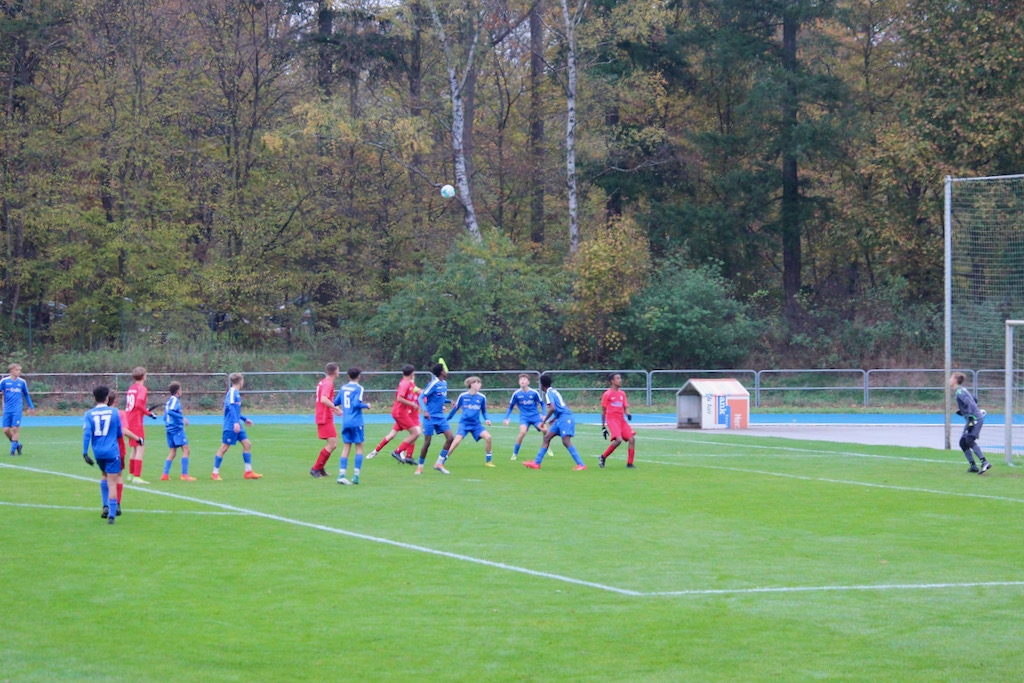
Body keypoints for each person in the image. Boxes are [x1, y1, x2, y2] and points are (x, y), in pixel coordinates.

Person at [523, 374, 587, 471]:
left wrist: (544, 421)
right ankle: (537, 463)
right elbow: (559, 406)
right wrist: (554, 418)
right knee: (546, 438)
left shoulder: (549, 393)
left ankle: (581, 464)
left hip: (565, 418)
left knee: (566, 441)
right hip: (560, 418)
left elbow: (553, 408)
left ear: (542, 384)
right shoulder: (553, 391)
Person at [82, 385, 124, 525]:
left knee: (104, 475)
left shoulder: (89, 414)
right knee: (112, 482)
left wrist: (85, 452)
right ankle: (111, 515)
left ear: (94, 398)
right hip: (112, 451)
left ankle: (105, 505)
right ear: (107, 398)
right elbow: (119, 433)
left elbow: (87, 433)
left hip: (98, 453)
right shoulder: (114, 412)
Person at [368, 364, 422, 465]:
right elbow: (399, 398)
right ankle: (398, 451)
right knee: (415, 433)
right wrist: (412, 404)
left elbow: (421, 392)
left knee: (408, 434)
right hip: (400, 413)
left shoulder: (410, 384)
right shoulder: (405, 384)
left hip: (403, 413)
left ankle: (407, 456)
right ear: (412, 374)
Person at [212, 373, 262, 480]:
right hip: (231, 425)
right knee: (224, 448)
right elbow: (230, 407)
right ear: (240, 381)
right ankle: (215, 473)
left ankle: (248, 472)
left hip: (237, 424)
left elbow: (236, 411)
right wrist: (235, 423)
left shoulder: (236, 393)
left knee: (247, 444)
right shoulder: (232, 393)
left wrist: (244, 419)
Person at [105, 390, 140, 516]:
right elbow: (124, 430)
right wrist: (137, 438)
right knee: (118, 476)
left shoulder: (99, 413)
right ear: (115, 400)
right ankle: (117, 504)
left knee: (106, 476)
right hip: (118, 448)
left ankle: (106, 505)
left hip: (103, 448)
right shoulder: (119, 413)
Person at [446, 376, 494, 466]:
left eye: (480, 383)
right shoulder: (463, 396)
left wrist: (487, 419)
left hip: (476, 425)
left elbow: (484, 411)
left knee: (488, 437)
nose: (480, 385)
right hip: (464, 424)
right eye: (478, 383)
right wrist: (446, 419)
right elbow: (455, 409)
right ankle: (442, 460)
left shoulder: (482, 397)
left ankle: (488, 461)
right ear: (471, 384)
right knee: (456, 442)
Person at [417, 362, 455, 475]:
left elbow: (439, 398)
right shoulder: (433, 384)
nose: (446, 372)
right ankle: (420, 467)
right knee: (427, 442)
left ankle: (439, 463)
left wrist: (449, 401)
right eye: (444, 370)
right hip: (430, 417)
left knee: (450, 438)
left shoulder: (444, 384)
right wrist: (425, 410)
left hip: (440, 416)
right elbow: (421, 397)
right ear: (441, 372)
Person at [335, 367, 371, 485]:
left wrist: (339, 409)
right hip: (356, 421)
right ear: (359, 376)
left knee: (346, 446)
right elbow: (356, 404)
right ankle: (356, 475)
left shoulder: (343, 388)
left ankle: (341, 474)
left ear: (348, 376)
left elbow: (335, 402)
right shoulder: (359, 388)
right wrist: (366, 405)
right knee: (359, 447)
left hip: (345, 421)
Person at [950, 372, 991, 474]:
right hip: (971, 418)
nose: (949, 380)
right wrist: (963, 411)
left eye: (951, 378)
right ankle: (973, 466)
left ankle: (984, 462)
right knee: (963, 442)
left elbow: (970, 404)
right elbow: (974, 400)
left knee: (969, 440)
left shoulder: (960, 391)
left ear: (955, 380)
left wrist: (971, 418)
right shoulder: (961, 390)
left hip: (975, 418)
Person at [311, 363, 344, 478]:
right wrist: (336, 408)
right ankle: (315, 468)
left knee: (332, 444)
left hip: (325, 415)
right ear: (335, 372)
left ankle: (320, 468)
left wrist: (334, 409)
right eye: (338, 370)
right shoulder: (328, 383)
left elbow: (326, 400)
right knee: (332, 444)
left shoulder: (324, 382)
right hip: (324, 417)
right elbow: (324, 399)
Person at [125, 366, 157, 484]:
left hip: (129, 419)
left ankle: (131, 474)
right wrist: (149, 414)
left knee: (134, 447)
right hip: (136, 421)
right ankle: (137, 476)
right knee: (140, 446)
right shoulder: (142, 389)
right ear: (143, 376)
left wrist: (144, 411)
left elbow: (135, 405)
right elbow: (138, 404)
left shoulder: (131, 388)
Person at [503, 374, 545, 460]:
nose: (522, 381)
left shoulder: (534, 392)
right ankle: (515, 453)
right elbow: (510, 407)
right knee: (522, 432)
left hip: (535, 416)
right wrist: (506, 417)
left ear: (528, 382)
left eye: (524, 379)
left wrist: (544, 415)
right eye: (521, 379)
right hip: (524, 417)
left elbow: (542, 404)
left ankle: (546, 446)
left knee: (545, 430)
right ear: (519, 382)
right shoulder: (516, 394)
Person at [599, 373, 637, 469]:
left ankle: (630, 464)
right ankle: (603, 457)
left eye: (620, 378)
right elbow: (603, 411)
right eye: (617, 378)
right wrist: (603, 426)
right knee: (618, 440)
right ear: (612, 381)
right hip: (612, 420)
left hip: (621, 420)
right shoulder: (607, 394)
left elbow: (625, 407)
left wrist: (628, 414)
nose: (620, 380)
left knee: (632, 439)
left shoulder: (622, 394)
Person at [161, 382, 195, 481]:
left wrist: (174, 424)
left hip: (170, 428)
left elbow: (165, 416)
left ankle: (165, 475)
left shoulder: (169, 401)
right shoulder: (175, 400)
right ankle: (184, 475)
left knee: (173, 452)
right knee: (186, 450)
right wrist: (182, 418)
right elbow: (171, 412)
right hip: (175, 429)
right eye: (181, 389)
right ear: (178, 391)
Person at [1, 362, 34, 456]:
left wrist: (31, 406)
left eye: (19, 370)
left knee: (15, 429)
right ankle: (17, 445)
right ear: (11, 371)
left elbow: (26, 395)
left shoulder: (22, 382)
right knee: (6, 430)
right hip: (7, 409)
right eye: (17, 370)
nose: (19, 372)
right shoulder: (4, 381)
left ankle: (12, 451)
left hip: (17, 409)